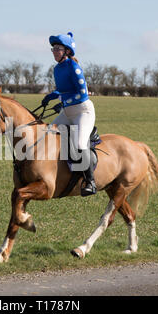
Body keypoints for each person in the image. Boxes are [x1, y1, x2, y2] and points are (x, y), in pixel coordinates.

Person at [41, 32, 97, 196]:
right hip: (68, 112)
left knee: (80, 145)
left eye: (58, 49)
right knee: (47, 134)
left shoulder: (74, 67)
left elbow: (83, 93)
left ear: (67, 51)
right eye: (53, 49)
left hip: (82, 112)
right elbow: (62, 89)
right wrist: (52, 96)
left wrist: (63, 99)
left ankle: (90, 182)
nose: (54, 51)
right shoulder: (57, 69)